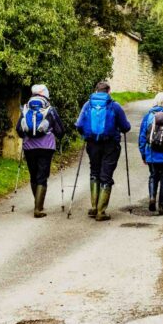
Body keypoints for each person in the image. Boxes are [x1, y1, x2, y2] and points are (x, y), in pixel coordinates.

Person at [75, 81, 131, 221]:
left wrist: (86, 135)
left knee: (94, 172)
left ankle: (94, 207)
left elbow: (79, 124)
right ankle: (101, 212)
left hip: (92, 144)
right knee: (106, 175)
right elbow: (126, 127)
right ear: (108, 91)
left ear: (95, 91)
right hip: (110, 145)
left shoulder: (88, 105)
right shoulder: (115, 106)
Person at [16, 84, 65, 218]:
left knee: (33, 175)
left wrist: (27, 136)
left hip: (29, 147)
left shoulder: (25, 108)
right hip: (46, 147)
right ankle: (38, 208)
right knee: (42, 175)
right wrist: (57, 136)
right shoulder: (50, 109)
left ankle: (37, 204)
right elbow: (60, 130)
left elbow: (19, 130)